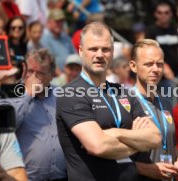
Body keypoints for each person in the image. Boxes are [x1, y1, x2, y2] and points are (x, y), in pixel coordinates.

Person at [56, 21, 162, 181]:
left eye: (105, 49)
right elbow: (98, 146)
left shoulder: (124, 92)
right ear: (80, 51)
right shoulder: (70, 93)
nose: (99, 54)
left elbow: (155, 137)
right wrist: (136, 138)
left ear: (112, 53)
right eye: (93, 49)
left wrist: (116, 133)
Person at [0, 49, 67, 181]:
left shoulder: (62, 95)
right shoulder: (9, 94)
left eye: (40, 73)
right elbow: (6, 127)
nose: (34, 77)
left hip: (61, 177)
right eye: (30, 72)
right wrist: (27, 94)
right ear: (23, 70)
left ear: (51, 75)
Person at [129, 39, 178, 181]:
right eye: (148, 64)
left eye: (159, 64)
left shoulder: (166, 102)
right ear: (133, 66)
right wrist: (147, 169)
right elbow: (114, 158)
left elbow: (171, 144)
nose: (155, 69)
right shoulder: (124, 103)